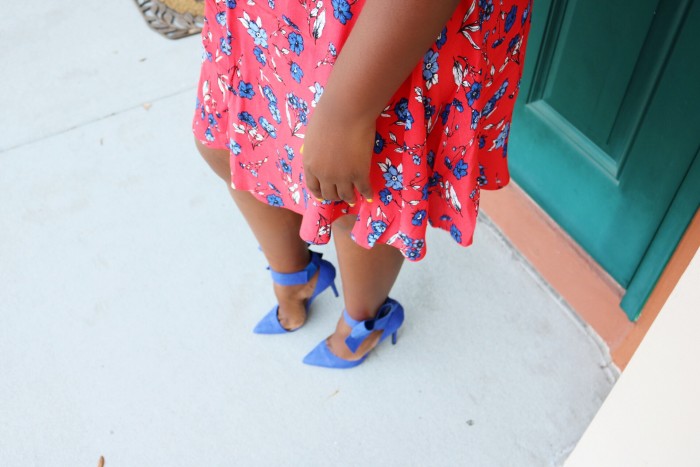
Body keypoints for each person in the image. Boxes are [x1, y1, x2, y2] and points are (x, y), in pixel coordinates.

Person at [193, 0, 532, 368]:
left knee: (353, 196)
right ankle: (295, 276)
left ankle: (363, 320)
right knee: (229, 145)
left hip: (381, 25)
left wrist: (348, 114)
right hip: (260, 15)